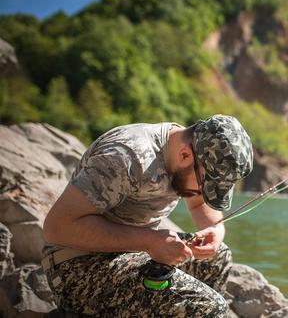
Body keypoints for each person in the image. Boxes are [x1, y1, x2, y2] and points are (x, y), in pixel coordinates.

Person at [41, 115, 254, 317]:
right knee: (209, 308)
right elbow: (57, 227)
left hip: (133, 253)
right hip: (76, 266)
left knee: (217, 257)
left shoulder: (188, 153)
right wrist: (149, 241)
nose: (203, 194)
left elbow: (198, 203)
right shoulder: (126, 157)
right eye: (204, 186)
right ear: (185, 155)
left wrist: (215, 230)